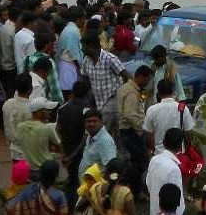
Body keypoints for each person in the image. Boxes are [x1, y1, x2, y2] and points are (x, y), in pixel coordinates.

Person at [81, 33, 130, 136]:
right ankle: (117, 151)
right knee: (115, 133)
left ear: (92, 46)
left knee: (98, 131)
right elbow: (84, 78)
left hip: (112, 98)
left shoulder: (110, 59)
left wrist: (122, 94)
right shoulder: (86, 60)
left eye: (84, 47)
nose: (82, 49)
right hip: (98, 101)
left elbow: (127, 76)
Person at [118, 64, 153, 194]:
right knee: (142, 162)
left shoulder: (125, 88)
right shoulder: (132, 92)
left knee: (135, 161)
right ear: (140, 77)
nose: (147, 83)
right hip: (131, 132)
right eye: (147, 80)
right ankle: (125, 185)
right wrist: (142, 130)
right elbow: (130, 115)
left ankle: (133, 190)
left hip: (126, 131)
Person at [144, 77, 195, 156]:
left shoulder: (151, 110)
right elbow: (189, 133)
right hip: (179, 156)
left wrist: (153, 150)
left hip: (158, 155)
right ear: (173, 91)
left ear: (158, 92)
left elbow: (149, 136)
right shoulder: (183, 109)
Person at [147, 128, 186, 215]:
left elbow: (148, 184)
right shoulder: (174, 168)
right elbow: (176, 198)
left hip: (154, 212)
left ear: (164, 143)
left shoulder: (154, 160)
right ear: (180, 146)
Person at [17, 96, 62, 172]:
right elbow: (59, 147)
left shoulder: (20, 127)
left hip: (29, 170)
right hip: (46, 169)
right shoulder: (47, 128)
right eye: (47, 110)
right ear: (39, 112)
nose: (50, 112)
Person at [78, 108, 118, 179]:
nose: (91, 124)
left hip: (97, 187)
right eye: (88, 121)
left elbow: (112, 168)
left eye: (95, 121)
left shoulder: (105, 141)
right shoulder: (91, 135)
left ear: (101, 123)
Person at [57, 6, 85, 95]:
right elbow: (74, 54)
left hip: (67, 66)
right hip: (69, 67)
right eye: (83, 18)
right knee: (69, 94)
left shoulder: (69, 29)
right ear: (79, 19)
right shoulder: (72, 31)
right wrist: (80, 70)